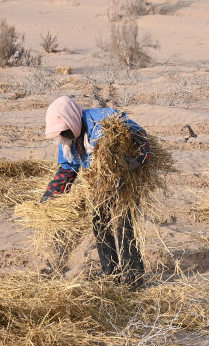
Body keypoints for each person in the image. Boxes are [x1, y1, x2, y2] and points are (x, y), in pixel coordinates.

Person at [42, 96, 150, 287]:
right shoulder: (69, 142)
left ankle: (134, 277)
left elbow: (139, 135)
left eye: (65, 131)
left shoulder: (103, 120)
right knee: (100, 222)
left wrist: (135, 161)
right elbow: (68, 169)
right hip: (100, 184)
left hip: (126, 175)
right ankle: (111, 272)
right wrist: (51, 196)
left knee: (123, 224)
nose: (64, 137)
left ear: (72, 120)